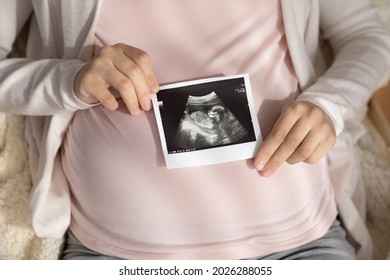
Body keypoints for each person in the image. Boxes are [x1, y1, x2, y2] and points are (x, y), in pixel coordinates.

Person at [0, 0, 390, 260]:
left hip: (301, 245)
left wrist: (331, 104)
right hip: (115, 255)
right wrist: (70, 81)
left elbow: (370, 35)